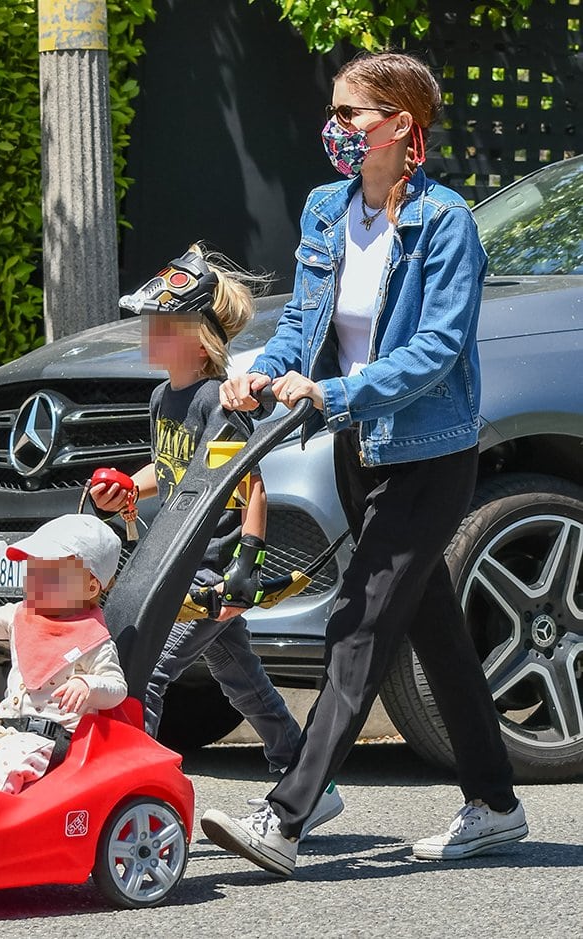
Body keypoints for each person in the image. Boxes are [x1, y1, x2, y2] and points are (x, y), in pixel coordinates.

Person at [200, 52, 528, 876]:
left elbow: (435, 350)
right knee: (435, 632)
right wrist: (259, 368)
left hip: (429, 453)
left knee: (360, 623)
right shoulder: (324, 209)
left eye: (352, 114)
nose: (337, 128)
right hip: (357, 448)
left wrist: (337, 391)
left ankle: (287, 817)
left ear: (400, 127)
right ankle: (497, 805)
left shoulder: (447, 223)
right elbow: (305, 325)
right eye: (336, 112)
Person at [90, 244, 343, 840]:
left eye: (160, 326)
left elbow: (248, 484)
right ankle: (310, 777)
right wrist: (130, 483)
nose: (148, 335)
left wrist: (245, 568)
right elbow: (172, 468)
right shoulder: (162, 400)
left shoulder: (212, 400)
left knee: (145, 671)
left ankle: (132, 788)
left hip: (212, 571)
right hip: (179, 561)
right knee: (241, 678)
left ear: (197, 336)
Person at [0, 514, 128, 793]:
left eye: (48, 574)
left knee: (8, 759)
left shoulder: (94, 639)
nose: (33, 580)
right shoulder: (21, 614)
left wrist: (87, 684)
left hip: (52, 739)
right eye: (31, 570)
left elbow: (117, 688)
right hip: (6, 725)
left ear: (90, 586)